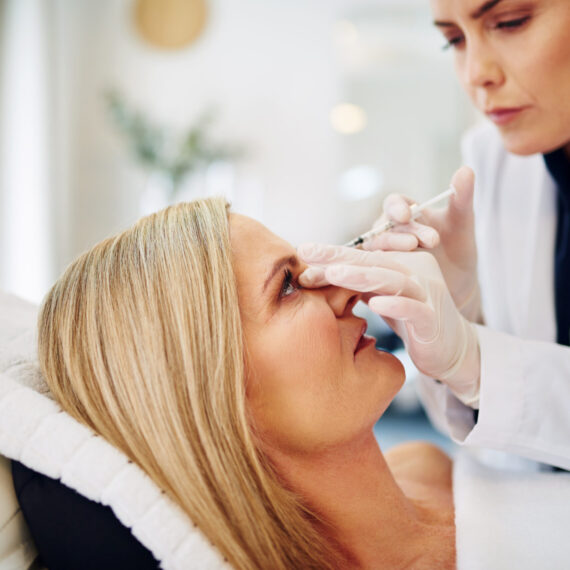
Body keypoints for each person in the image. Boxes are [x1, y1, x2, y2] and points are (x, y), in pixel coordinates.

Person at [36, 198, 456, 569]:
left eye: (311, 269)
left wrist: (474, 312)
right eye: (288, 287)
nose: (347, 286)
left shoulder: (431, 465)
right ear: (207, 391)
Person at [298, 0, 570, 471]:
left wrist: (478, 361)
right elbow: (501, 437)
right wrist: (466, 312)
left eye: (510, 23)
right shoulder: (494, 158)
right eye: (454, 40)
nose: (475, 74)